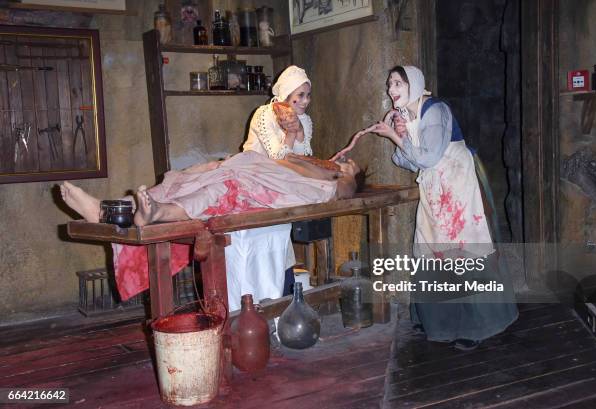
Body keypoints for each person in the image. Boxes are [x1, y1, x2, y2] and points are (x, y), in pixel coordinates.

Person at [341, 65, 517, 351]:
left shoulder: (436, 110)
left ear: (414, 84)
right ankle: (437, 320)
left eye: (397, 84)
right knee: (429, 247)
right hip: (435, 186)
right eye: (389, 85)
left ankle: (474, 325)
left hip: (457, 182)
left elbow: (430, 156)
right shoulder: (408, 114)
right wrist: (401, 133)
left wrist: (394, 136)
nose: (391, 90)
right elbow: (407, 161)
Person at [60, 151, 359, 308]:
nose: (344, 161)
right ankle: (108, 209)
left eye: (349, 163)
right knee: (187, 179)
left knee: (220, 191)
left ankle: (155, 213)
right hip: (253, 169)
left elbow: (341, 189)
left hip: (262, 185)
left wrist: (349, 173)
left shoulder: (338, 180)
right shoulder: (310, 162)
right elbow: (278, 158)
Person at [234, 65, 313, 309]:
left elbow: (305, 157)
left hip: (281, 189)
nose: (304, 101)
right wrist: (290, 133)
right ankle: (252, 305)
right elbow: (276, 157)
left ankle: (280, 304)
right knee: (254, 249)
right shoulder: (264, 115)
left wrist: (298, 131)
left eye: (307, 95)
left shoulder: (305, 121)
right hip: (251, 185)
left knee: (279, 245)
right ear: (284, 97)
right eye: (298, 96)